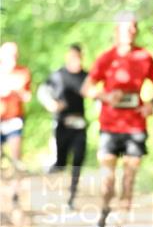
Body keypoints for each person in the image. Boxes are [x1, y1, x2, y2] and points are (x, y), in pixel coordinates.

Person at [82, 13, 153, 227]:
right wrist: (106, 95)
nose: (130, 32)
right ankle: (101, 220)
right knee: (108, 182)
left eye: (134, 28)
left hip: (135, 127)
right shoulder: (106, 58)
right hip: (109, 126)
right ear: (117, 31)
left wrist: (151, 104)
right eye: (126, 28)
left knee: (128, 181)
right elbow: (87, 87)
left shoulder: (144, 57)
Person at [38, 44, 88, 209]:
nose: (76, 61)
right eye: (73, 57)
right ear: (68, 57)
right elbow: (42, 91)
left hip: (79, 124)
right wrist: (51, 104)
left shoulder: (86, 76)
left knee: (78, 160)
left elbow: (96, 92)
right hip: (62, 124)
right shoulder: (58, 75)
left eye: (78, 57)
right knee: (61, 163)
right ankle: (51, 175)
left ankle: (71, 197)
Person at [0, 41, 32, 205]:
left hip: (14, 119)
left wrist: (15, 90)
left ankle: (15, 192)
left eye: (15, 54)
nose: (12, 58)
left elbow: (27, 96)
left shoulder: (22, 72)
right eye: (9, 54)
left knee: (15, 157)